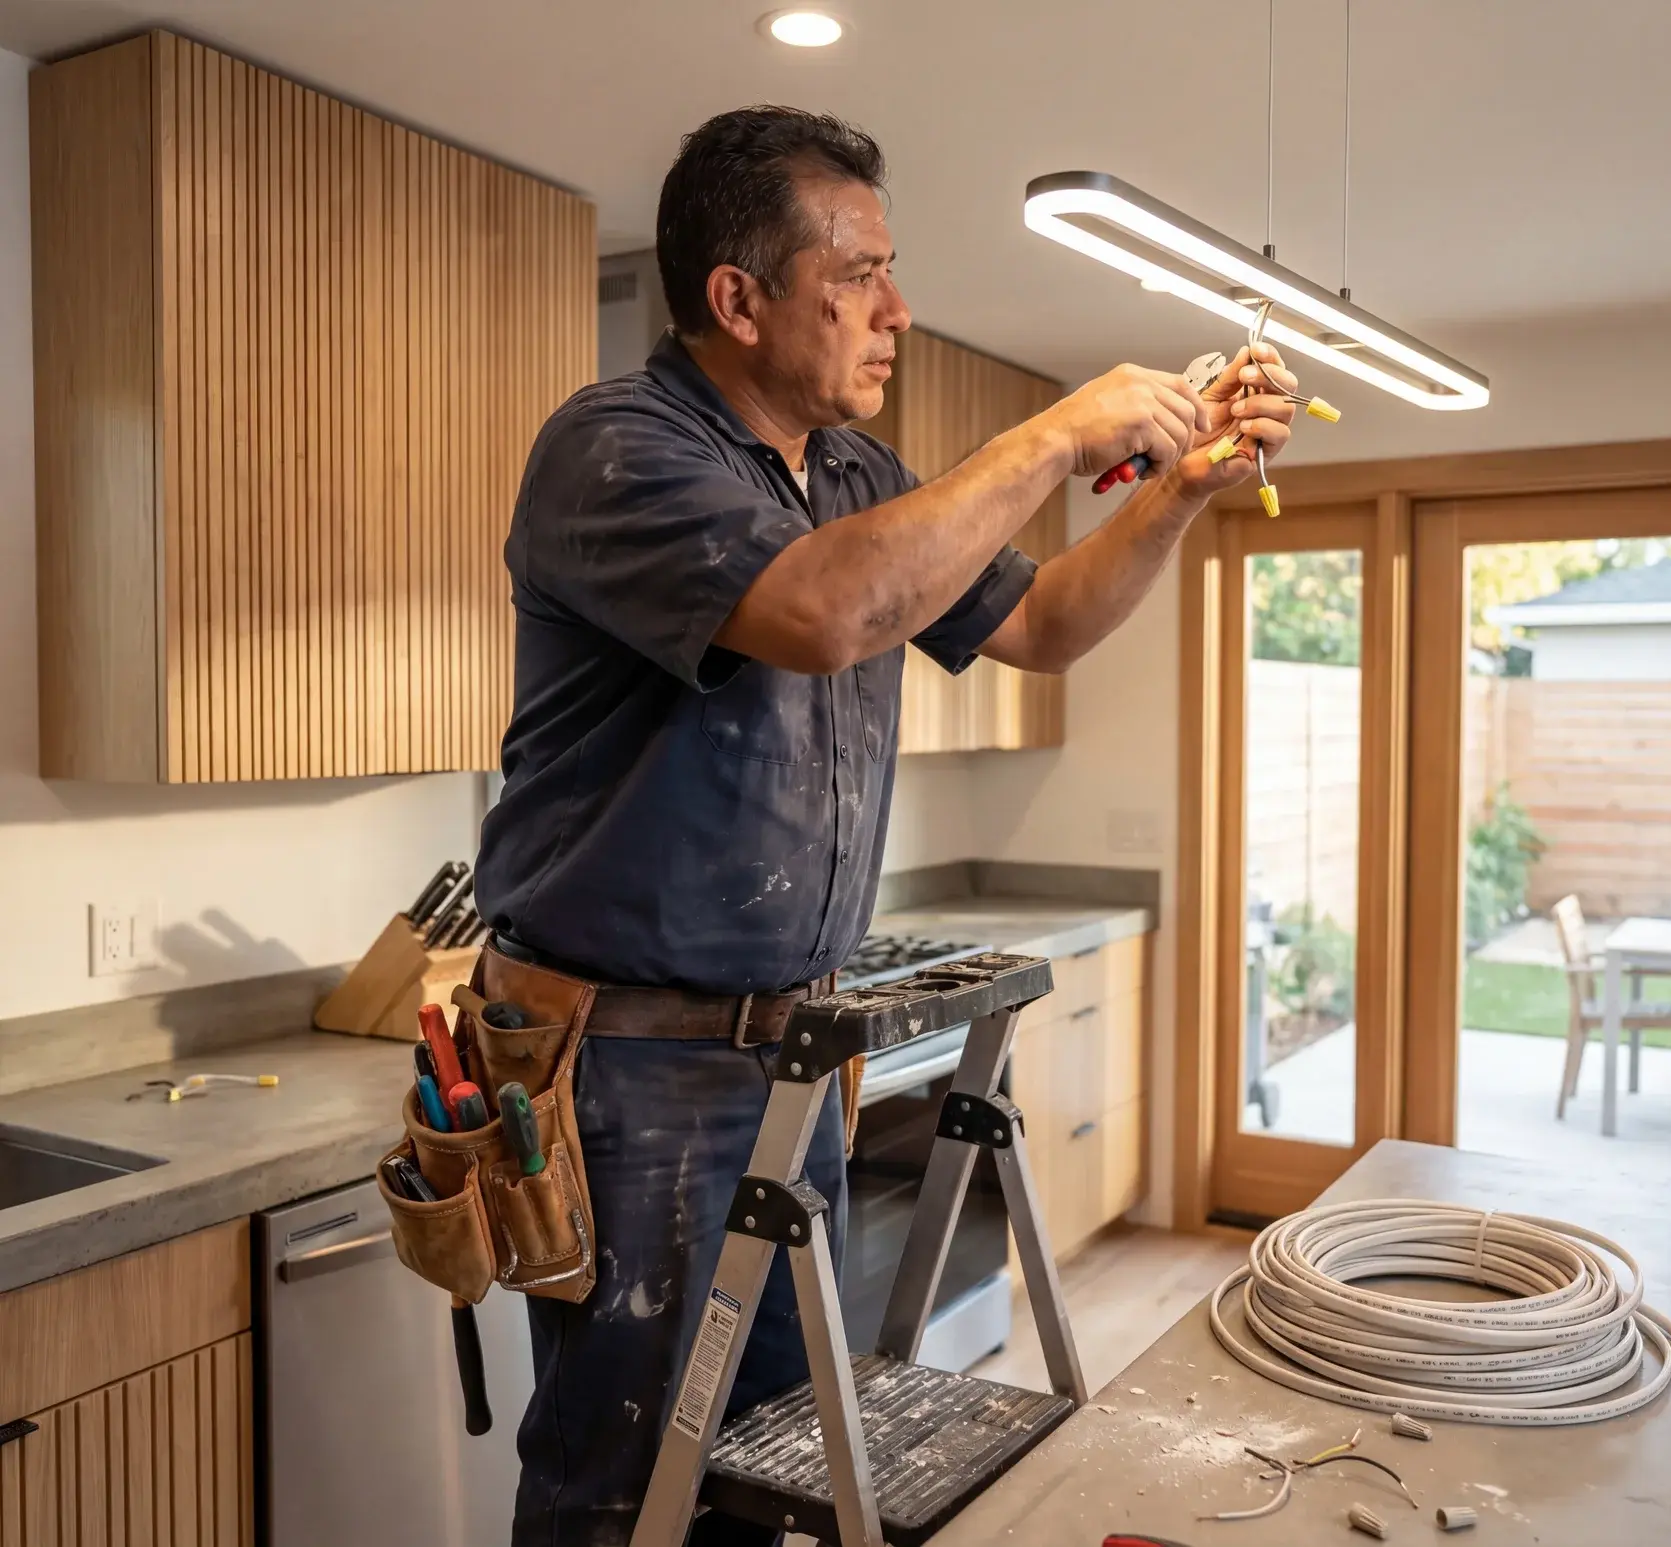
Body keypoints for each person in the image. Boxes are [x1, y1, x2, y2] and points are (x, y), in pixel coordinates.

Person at [472, 104, 1300, 1546]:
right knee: (626, 1487)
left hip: (792, 1055)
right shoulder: (614, 448)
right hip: (628, 1066)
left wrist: (1180, 491)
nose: (897, 310)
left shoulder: (856, 475)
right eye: (858, 275)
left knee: (774, 1462)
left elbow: (1042, 624)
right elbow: (822, 610)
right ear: (739, 300)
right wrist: (1057, 433)